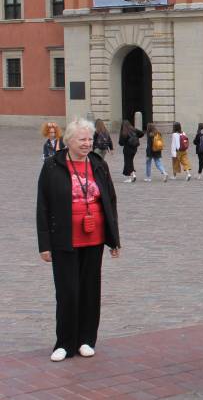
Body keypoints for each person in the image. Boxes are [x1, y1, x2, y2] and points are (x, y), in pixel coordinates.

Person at [36, 117, 121, 362]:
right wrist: (44, 244)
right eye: (82, 139)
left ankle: (86, 340)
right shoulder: (52, 165)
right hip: (64, 239)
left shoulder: (98, 164)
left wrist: (114, 240)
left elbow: (110, 201)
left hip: (94, 239)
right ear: (69, 141)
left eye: (90, 139)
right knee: (67, 292)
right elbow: (43, 206)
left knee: (90, 291)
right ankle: (64, 343)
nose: (87, 144)